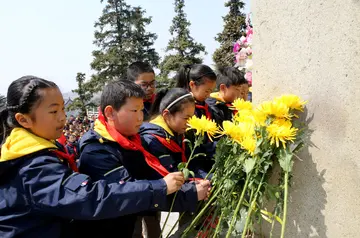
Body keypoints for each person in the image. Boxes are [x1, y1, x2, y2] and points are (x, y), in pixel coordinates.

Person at [0, 76, 185, 238]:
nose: (63, 118)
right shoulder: (33, 166)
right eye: (53, 112)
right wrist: (159, 188)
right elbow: (89, 197)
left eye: (63, 109)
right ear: (24, 120)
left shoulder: (45, 149)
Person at [76, 80, 210, 238]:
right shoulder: (96, 150)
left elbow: (152, 177)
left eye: (141, 110)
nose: (140, 117)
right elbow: (126, 192)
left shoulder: (132, 141)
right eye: (134, 110)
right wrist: (184, 192)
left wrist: (188, 188)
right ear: (110, 112)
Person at [175, 64, 217, 177]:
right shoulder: (183, 108)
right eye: (206, 91)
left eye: (211, 91)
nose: (209, 95)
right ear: (192, 85)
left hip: (205, 159)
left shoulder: (206, 108)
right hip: (190, 162)